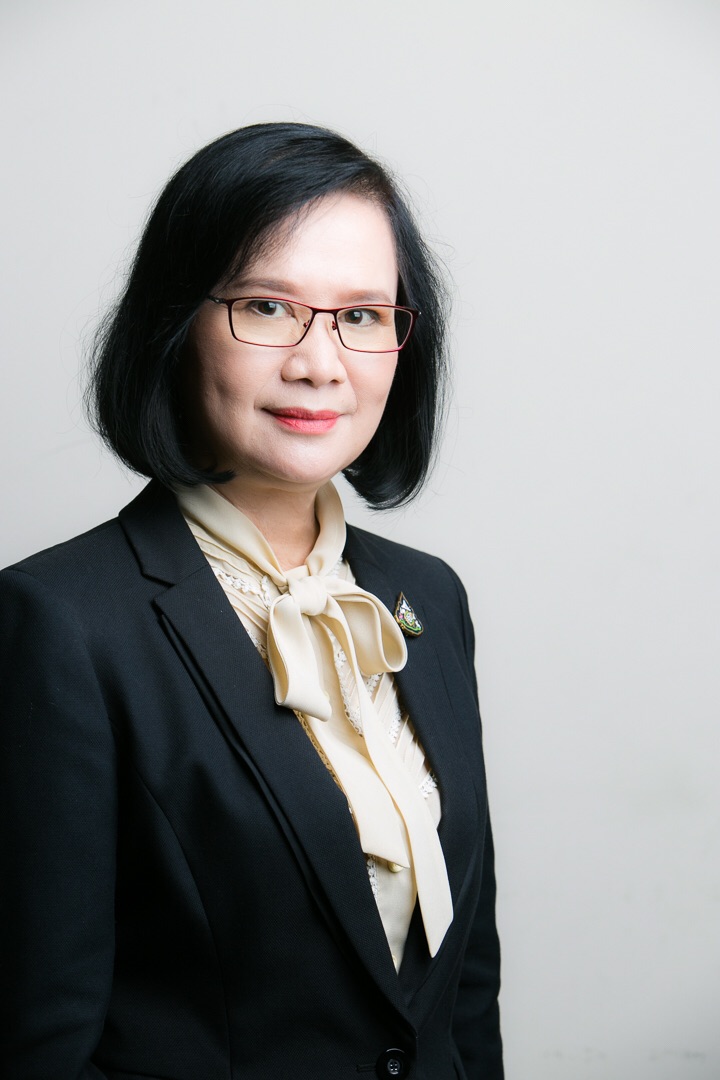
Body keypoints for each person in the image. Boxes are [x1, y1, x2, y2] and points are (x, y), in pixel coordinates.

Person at [0, 123, 503, 1080]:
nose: (321, 362)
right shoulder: (59, 623)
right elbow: (40, 1039)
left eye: (363, 315)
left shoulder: (427, 597)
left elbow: (464, 987)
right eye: (268, 306)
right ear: (173, 324)